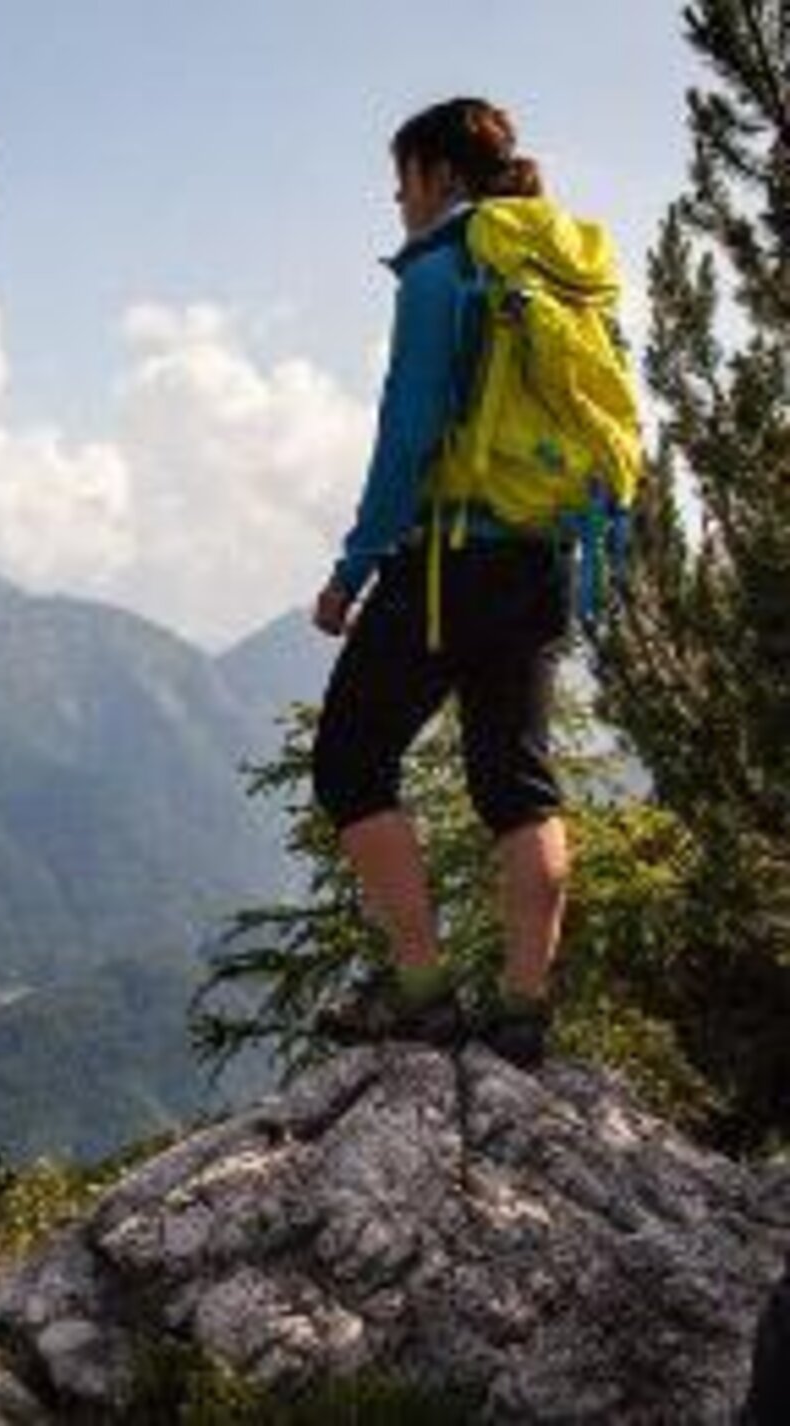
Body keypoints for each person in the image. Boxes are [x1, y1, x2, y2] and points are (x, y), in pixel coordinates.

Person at [308, 98, 579, 1069]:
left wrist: (352, 570)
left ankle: (422, 992)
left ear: (442, 176)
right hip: (542, 557)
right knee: (517, 784)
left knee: (350, 761)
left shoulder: (442, 273)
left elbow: (409, 434)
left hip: (447, 560)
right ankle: (524, 1009)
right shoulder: (555, 271)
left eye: (404, 178)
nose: (397, 198)